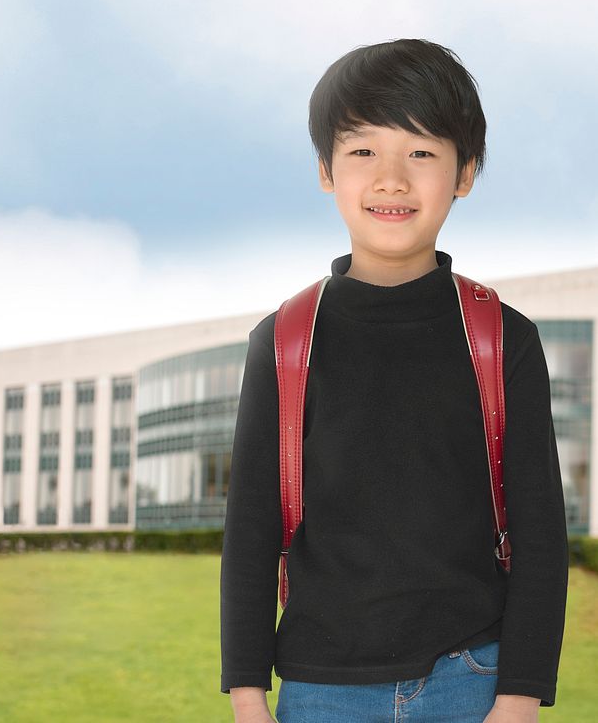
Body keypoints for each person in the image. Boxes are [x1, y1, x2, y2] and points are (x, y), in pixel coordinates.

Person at [219, 39, 569, 723]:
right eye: (361, 152)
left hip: (472, 675)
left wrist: (520, 697)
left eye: (420, 152)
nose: (390, 179)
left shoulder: (502, 338)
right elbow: (252, 528)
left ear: (463, 173)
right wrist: (246, 695)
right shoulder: (285, 341)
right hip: (320, 690)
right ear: (325, 170)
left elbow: (538, 532)